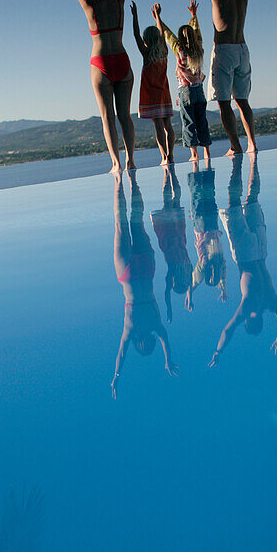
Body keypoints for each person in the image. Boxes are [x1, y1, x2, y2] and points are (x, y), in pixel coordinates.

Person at [161, 0, 257, 156]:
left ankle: (235, 145)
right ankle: (252, 143)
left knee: (224, 103)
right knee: (242, 101)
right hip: (243, 49)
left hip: (224, 50)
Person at [53, 0, 135, 175]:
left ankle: (116, 163)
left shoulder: (89, 5)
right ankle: (131, 160)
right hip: (122, 59)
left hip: (101, 64)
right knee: (124, 116)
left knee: (107, 117)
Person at [209, 154, 277, 365]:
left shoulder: (271, 304)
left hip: (261, 251)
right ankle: (238, 163)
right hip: (247, 255)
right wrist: (218, 352)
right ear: (250, 323)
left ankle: (250, 161)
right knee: (235, 204)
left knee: (252, 199)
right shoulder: (248, 309)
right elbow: (228, 330)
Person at [112, 173, 179, 397]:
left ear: (148, 340)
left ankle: (132, 179)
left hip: (146, 271)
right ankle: (119, 181)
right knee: (121, 224)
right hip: (129, 276)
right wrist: (116, 377)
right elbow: (122, 354)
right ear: (138, 342)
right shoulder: (130, 331)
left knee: (137, 221)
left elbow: (165, 341)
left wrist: (168, 361)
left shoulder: (155, 326)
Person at [153, 0, 212, 163]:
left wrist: (158, 18)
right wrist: (194, 16)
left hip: (185, 91)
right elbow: (197, 32)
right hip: (199, 90)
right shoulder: (199, 48)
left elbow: (167, 34)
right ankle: (207, 150)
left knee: (189, 123)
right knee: (202, 120)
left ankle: (194, 154)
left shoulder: (179, 49)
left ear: (181, 38)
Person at [129, 0, 175, 165]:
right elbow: (162, 33)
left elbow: (135, 34)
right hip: (164, 92)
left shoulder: (147, 53)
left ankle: (164, 157)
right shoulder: (164, 51)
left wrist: (135, 16)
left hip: (152, 95)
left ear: (146, 40)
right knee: (168, 125)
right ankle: (171, 155)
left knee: (158, 126)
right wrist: (157, 16)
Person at [150, 165, 193, 320]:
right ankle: (169, 173)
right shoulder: (184, 269)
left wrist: (169, 309)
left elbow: (168, 292)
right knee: (171, 201)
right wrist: (189, 296)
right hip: (173, 235)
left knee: (172, 201)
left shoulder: (179, 269)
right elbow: (170, 291)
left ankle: (169, 173)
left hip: (172, 235)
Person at [187, 162, 227, 304]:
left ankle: (204, 171)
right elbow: (221, 276)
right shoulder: (214, 262)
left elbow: (195, 281)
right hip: (205, 226)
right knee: (202, 198)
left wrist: (190, 294)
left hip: (207, 226)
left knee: (205, 198)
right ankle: (202, 172)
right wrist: (222, 289)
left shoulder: (207, 263)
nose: (214, 275)